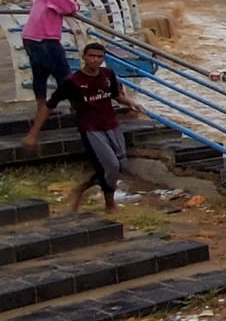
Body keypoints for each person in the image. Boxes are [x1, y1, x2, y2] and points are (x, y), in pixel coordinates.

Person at [21, 44, 142, 212]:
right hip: (91, 129)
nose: (95, 60)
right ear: (84, 57)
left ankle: (83, 187)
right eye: (91, 56)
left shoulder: (108, 75)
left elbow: (116, 95)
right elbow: (49, 106)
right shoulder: (73, 81)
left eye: (99, 57)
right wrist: (33, 134)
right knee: (111, 165)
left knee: (119, 164)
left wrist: (131, 103)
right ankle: (109, 203)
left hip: (112, 125)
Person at [21, 0, 81, 120]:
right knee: (63, 73)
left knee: (40, 73)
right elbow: (69, 8)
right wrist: (76, 4)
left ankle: (42, 108)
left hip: (32, 37)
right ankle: (76, 104)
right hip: (45, 38)